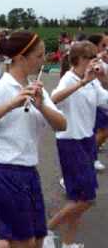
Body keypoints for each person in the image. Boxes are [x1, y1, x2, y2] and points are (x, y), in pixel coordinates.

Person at [0, 31, 66, 248]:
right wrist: (10, 105)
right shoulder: (2, 88)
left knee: (38, 241)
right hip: (4, 172)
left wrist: (41, 105)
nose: (44, 60)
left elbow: (61, 124)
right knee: (22, 243)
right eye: (39, 56)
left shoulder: (36, 88)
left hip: (28, 172)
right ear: (21, 58)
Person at [47, 41, 108, 248]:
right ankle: (46, 229)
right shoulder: (69, 79)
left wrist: (101, 78)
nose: (95, 62)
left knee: (77, 198)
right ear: (79, 60)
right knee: (87, 199)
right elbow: (53, 99)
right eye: (91, 58)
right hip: (70, 142)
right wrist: (82, 82)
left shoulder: (92, 80)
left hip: (86, 140)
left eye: (96, 58)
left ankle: (67, 243)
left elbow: (105, 100)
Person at [86, 34, 108, 171]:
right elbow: (104, 81)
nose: (106, 49)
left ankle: (91, 158)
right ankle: (89, 159)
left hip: (100, 100)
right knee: (103, 131)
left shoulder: (101, 61)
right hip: (97, 103)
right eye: (103, 45)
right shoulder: (94, 63)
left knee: (99, 131)